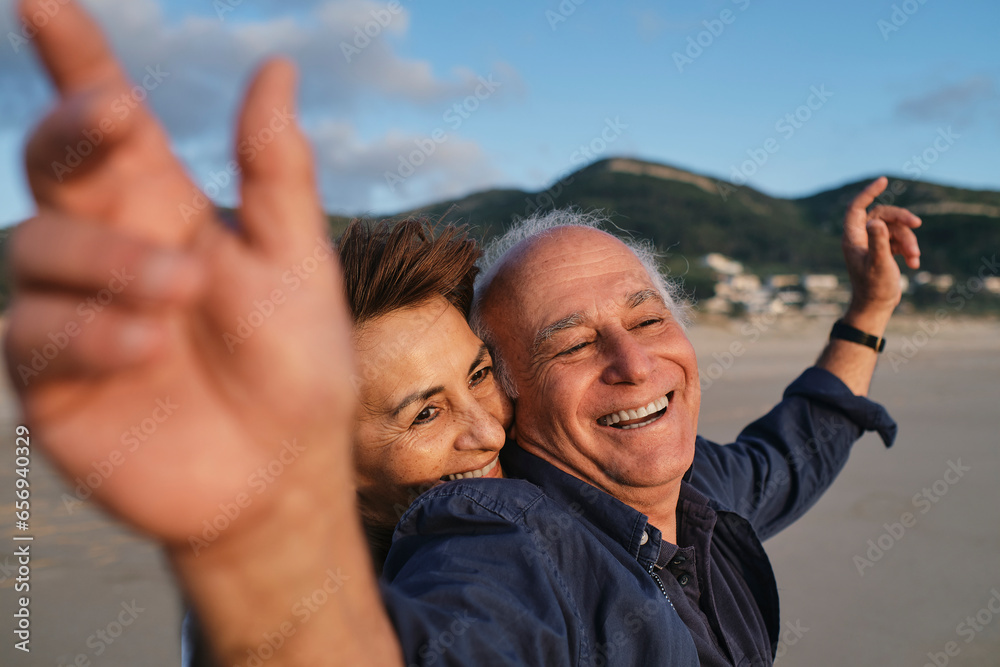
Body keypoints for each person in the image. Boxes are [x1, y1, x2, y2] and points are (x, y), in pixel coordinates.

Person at [5, 1, 922, 664]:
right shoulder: (502, 531)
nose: (485, 431)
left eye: (647, 314)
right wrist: (259, 546)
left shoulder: (681, 483)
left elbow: (789, 451)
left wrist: (870, 308)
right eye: (569, 343)